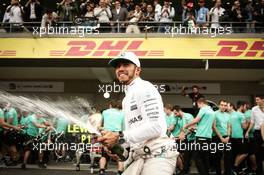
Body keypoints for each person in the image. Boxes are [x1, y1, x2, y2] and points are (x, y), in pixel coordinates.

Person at [98, 51, 178, 175]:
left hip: (159, 155)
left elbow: (156, 127)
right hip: (140, 156)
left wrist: (119, 136)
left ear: (137, 70)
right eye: (118, 66)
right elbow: (134, 136)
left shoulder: (145, 88)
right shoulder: (126, 99)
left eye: (126, 65)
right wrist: (116, 147)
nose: (121, 69)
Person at [183, 98, 215, 175]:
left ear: (200, 103)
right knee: (205, 158)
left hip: (201, 137)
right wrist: (195, 128)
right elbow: (207, 125)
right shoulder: (212, 111)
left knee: (197, 157)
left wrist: (186, 125)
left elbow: (196, 120)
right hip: (208, 138)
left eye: (198, 105)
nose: (198, 107)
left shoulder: (203, 109)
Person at [99, 101, 125, 175]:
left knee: (104, 155)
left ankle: (102, 170)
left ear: (110, 105)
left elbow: (101, 124)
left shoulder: (105, 112)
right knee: (120, 155)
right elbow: (123, 126)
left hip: (106, 134)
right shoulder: (122, 113)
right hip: (117, 134)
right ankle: (119, 172)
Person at [245, 95, 264, 175]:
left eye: (258, 100)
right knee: (256, 153)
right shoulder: (254, 109)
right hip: (257, 132)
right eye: (256, 100)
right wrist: (248, 131)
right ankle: (259, 171)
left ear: (263, 100)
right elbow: (252, 122)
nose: (256, 101)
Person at [212, 99, 232, 175]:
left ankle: (227, 173)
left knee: (228, 157)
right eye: (222, 105)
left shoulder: (228, 115)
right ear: (219, 105)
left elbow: (229, 126)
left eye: (225, 105)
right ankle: (218, 173)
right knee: (218, 157)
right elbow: (214, 127)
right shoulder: (214, 114)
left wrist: (228, 136)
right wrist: (221, 138)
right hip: (217, 137)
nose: (223, 107)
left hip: (227, 137)